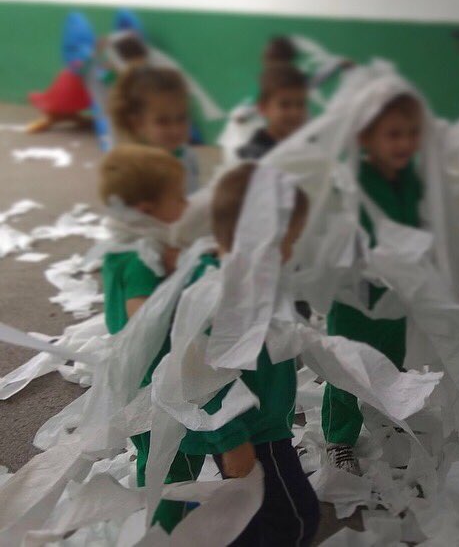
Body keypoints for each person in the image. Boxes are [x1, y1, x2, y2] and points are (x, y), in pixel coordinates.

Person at [179, 163, 320, 546]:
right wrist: (232, 440)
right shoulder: (224, 297)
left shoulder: (241, 279)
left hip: (259, 423)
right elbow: (202, 377)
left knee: (249, 508)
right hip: (254, 433)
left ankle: (214, 523)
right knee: (296, 519)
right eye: (285, 244)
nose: (291, 252)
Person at [322, 93, 425, 475]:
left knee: (390, 358)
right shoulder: (353, 183)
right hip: (354, 295)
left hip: (396, 292)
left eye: (411, 134)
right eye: (393, 134)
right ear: (366, 139)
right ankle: (340, 437)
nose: (404, 143)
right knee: (348, 367)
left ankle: (383, 418)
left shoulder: (410, 179)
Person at [98, 144, 198, 532]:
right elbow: (147, 316)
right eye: (178, 197)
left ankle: (165, 513)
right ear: (146, 211)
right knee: (170, 457)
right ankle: (168, 527)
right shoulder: (142, 258)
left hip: (133, 372)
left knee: (154, 453)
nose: (187, 203)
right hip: (153, 382)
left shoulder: (123, 247)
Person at [110, 66, 200, 193]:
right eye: (163, 122)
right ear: (138, 124)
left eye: (182, 118)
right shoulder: (134, 171)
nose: (176, 130)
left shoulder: (188, 155)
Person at [237, 64, 308, 161]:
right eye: (285, 105)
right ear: (263, 108)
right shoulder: (251, 159)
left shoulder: (310, 149)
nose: (295, 113)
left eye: (300, 104)